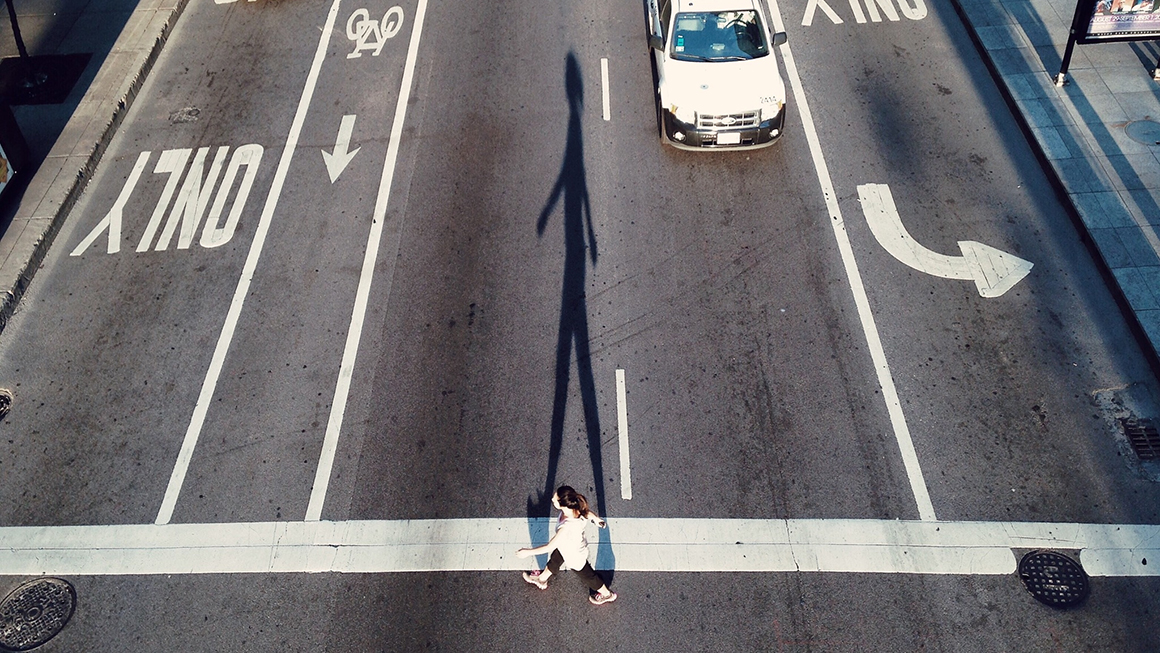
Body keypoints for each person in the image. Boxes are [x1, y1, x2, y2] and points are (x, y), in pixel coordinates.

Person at [515, 485, 617, 605]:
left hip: (574, 556)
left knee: (589, 577)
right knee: (555, 559)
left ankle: (607, 595)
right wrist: (597, 519)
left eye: (554, 499)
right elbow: (587, 513)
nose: (552, 499)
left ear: (562, 504)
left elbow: (549, 546)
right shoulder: (575, 508)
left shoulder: (567, 526)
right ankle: (542, 579)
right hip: (568, 546)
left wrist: (527, 552)